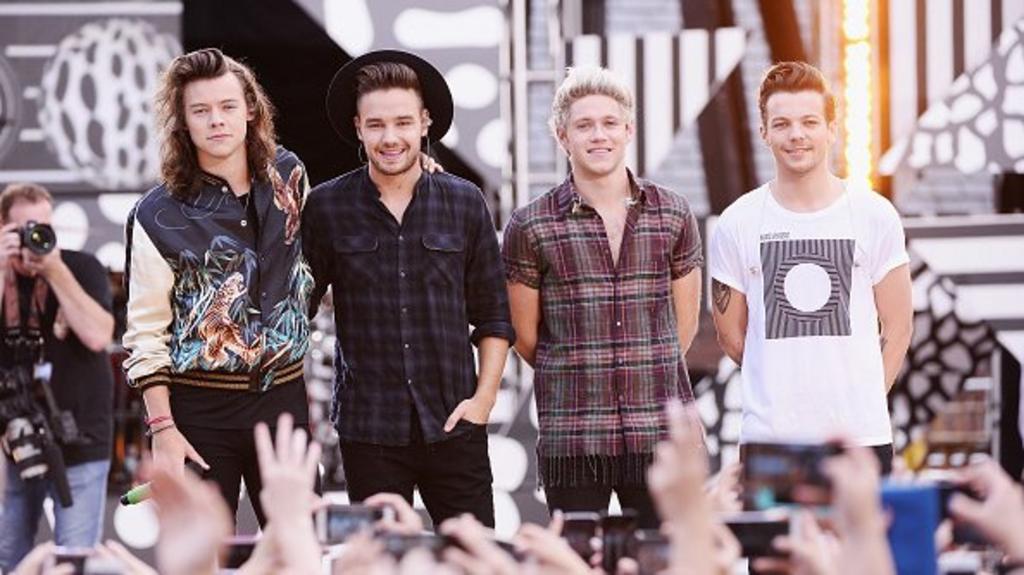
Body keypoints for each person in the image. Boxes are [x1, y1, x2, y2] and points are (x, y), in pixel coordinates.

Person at [303, 49, 513, 528]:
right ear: (358, 128)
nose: (390, 137)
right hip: (369, 430)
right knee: (380, 558)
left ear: (425, 123)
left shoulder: (465, 202)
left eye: (403, 122)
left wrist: (482, 401)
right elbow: (297, 309)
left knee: (475, 556)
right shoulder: (327, 207)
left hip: (455, 423)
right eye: (376, 125)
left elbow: (494, 316)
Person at [502, 66, 704, 527]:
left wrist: (642, 368)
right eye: (584, 125)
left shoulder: (672, 213)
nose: (599, 135)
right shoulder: (531, 225)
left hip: (659, 431)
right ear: (562, 136)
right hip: (574, 436)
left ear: (628, 130)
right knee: (578, 556)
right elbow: (525, 337)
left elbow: (685, 325)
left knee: (663, 557)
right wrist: (580, 368)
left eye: (610, 123)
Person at [121, 48, 314, 525]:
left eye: (228, 106)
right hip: (199, 408)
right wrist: (163, 428)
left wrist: (417, 175)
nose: (216, 121)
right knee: (201, 550)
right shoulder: (155, 214)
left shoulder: (289, 174)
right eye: (201, 110)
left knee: (299, 545)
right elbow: (145, 332)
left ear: (250, 109)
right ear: (182, 122)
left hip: (283, 397)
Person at [708, 61, 913, 472]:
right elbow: (731, 336)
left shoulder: (874, 215)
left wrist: (864, 401)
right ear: (764, 132)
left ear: (831, 130)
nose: (796, 135)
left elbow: (899, 325)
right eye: (781, 124)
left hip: (859, 440)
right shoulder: (737, 222)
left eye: (810, 122)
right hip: (770, 440)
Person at [0, 183, 115, 570]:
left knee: (73, 560)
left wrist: (55, 270)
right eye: (24, 229)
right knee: (9, 558)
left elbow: (98, 335)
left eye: (43, 227)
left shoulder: (81, 268)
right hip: (17, 445)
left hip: (79, 438)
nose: (35, 238)